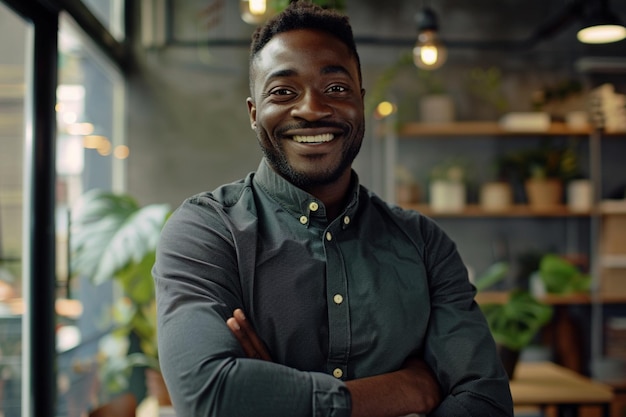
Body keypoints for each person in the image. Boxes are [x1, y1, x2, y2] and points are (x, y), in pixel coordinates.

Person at [153, 2, 514, 416]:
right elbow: (211, 396)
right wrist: (407, 390)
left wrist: (279, 398)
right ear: (255, 114)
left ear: (360, 104)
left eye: (336, 89)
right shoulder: (207, 232)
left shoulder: (424, 245)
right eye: (283, 91)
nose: (312, 109)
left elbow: (487, 405)